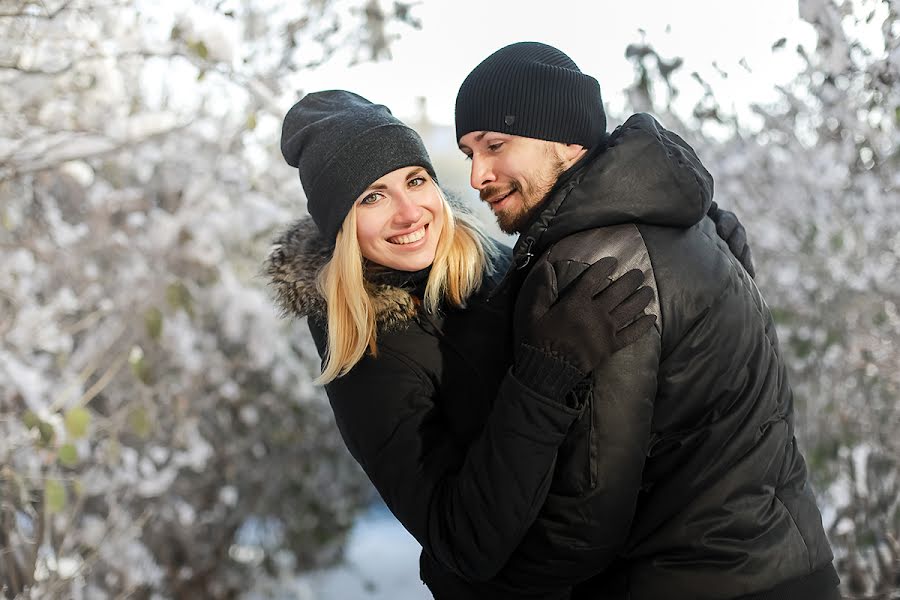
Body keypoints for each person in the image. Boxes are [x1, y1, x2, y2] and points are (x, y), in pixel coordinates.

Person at [452, 41, 840, 600]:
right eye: (468, 153)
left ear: (566, 137)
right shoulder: (689, 224)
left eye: (495, 145)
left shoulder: (590, 262)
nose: (477, 175)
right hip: (793, 564)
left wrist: (476, 578)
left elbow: (586, 514)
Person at [265, 90, 659, 600]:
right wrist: (545, 376)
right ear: (340, 225)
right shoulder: (367, 359)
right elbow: (465, 542)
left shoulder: (492, 261)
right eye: (372, 197)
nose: (410, 213)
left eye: (414, 181)